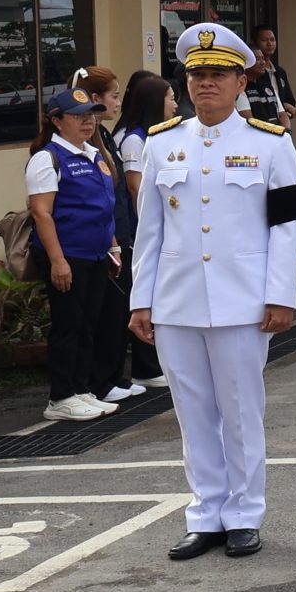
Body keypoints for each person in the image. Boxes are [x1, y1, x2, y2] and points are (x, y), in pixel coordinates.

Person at [130, 24, 296, 560]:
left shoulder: (270, 143)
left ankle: (245, 514)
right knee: (192, 413)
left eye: (218, 74)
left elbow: (286, 228)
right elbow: (149, 230)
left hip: (242, 301)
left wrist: (281, 295)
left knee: (241, 412)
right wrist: (141, 300)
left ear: (240, 82)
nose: (206, 83)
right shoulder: (163, 143)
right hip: (177, 301)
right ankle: (206, 513)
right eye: (197, 74)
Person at [25, 85, 121, 423]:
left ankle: (81, 389)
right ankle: (61, 396)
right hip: (68, 254)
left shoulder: (93, 154)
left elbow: (104, 207)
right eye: (78, 116)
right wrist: (57, 260)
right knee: (68, 325)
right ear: (56, 121)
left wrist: (113, 246)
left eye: (91, 115)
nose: (88, 122)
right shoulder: (48, 158)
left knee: (88, 323)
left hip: (96, 254)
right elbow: (41, 213)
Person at [75, 67, 148, 406]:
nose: (118, 102)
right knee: (103, 314)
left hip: (119, 234)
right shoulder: (86, 141)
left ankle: (112, 376)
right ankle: (99, 381)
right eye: (113, 96)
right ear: (94, 99)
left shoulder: (102, 135)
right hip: (102, 240)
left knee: (117, 310)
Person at [110, 72, 176, 392]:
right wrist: (151, 227)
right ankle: (145, 367)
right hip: (139, 232)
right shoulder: (134, 139)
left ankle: (154, 363)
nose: (175, 104)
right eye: (170, 98)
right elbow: (136, 188)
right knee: (146, 295)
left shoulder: (159, 135)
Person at [244, 26, 296, 127]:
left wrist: (286, 109)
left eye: (272, 40)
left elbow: (290, 101)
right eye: (264, 40)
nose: (270, 44)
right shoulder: (247, 81)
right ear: (253, 43)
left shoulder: (280, 72)